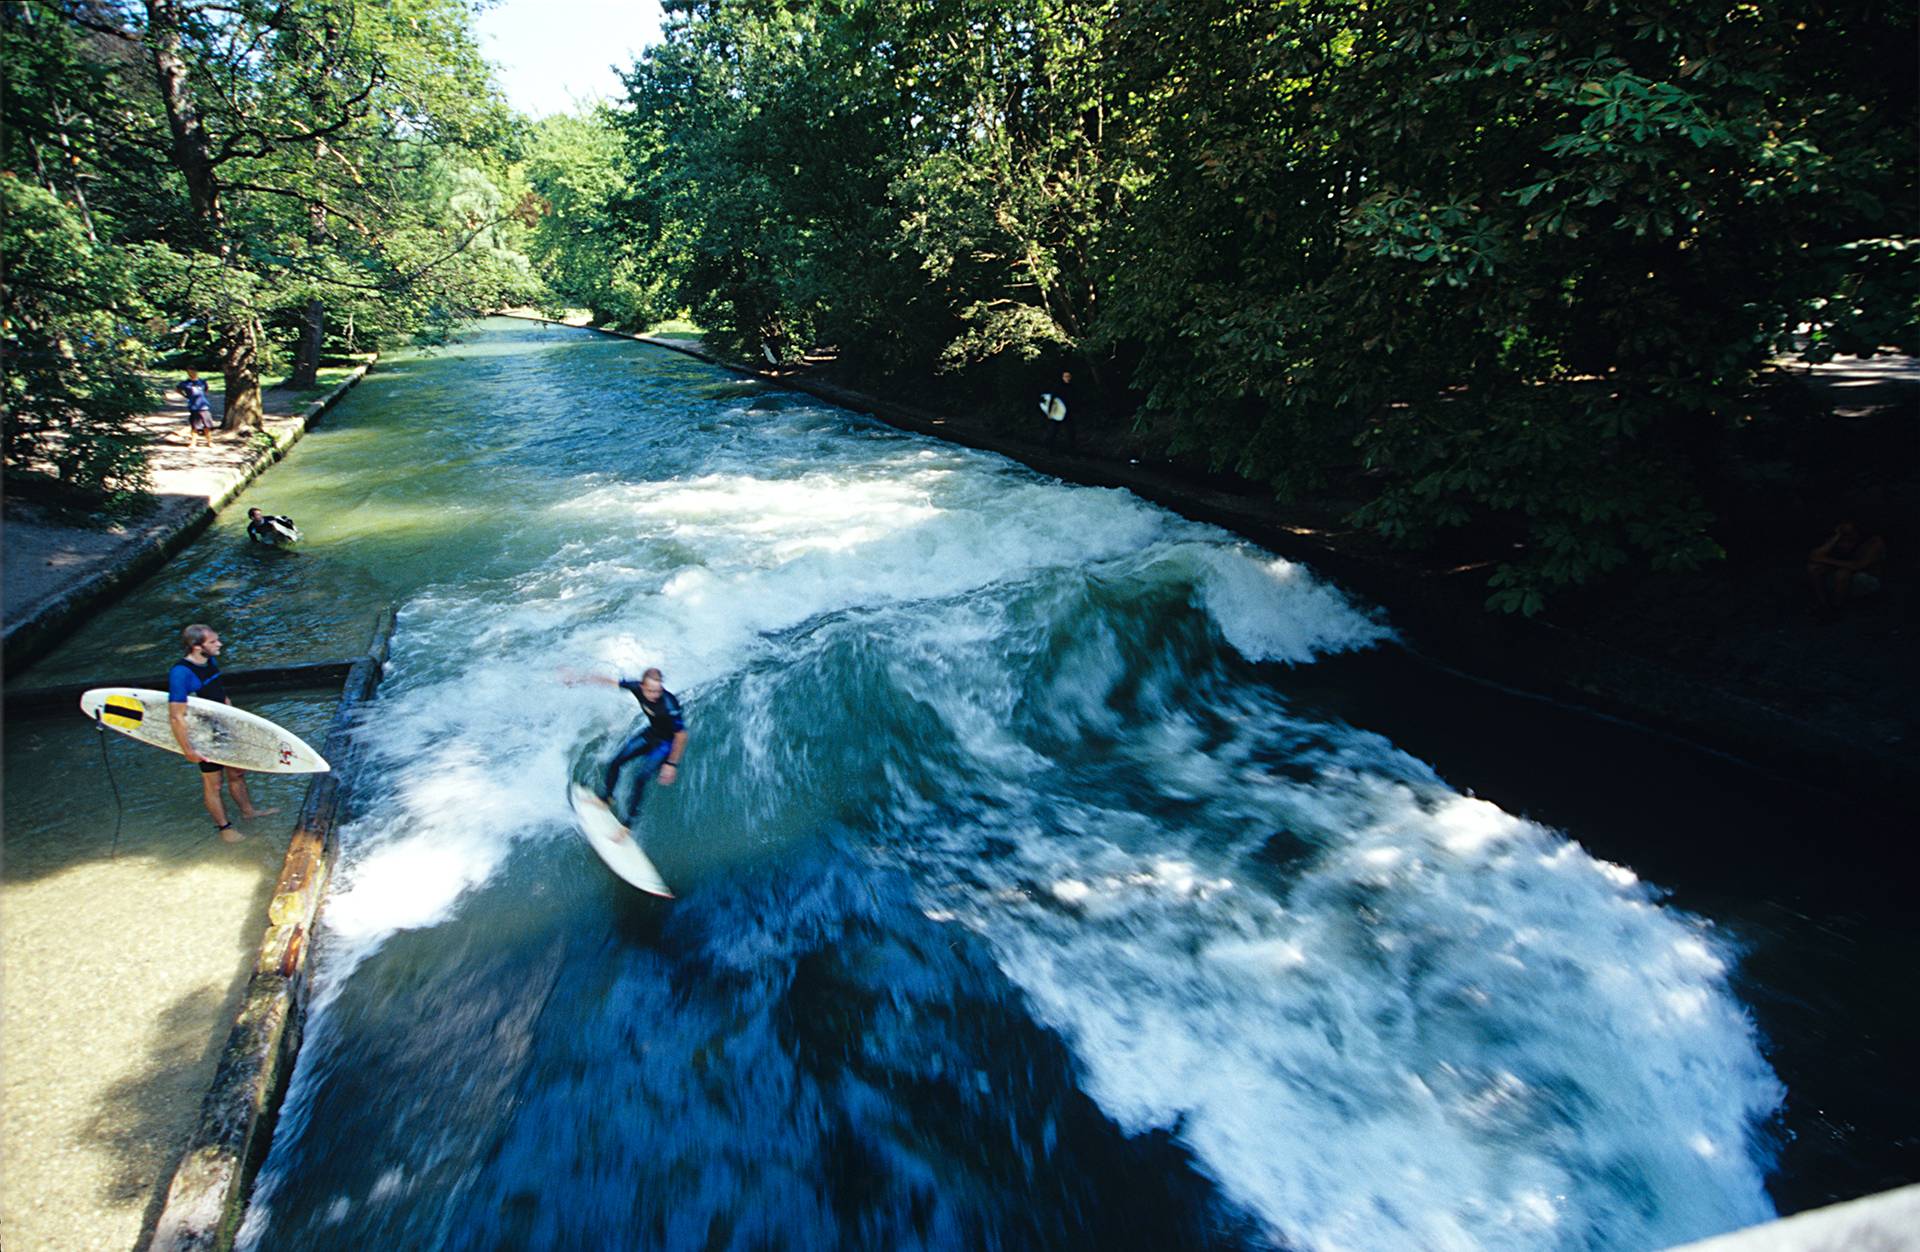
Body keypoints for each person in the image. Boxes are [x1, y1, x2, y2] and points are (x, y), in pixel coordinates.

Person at [168, 623, 278, 841]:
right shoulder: (181, 673)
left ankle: (248, 811)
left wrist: (235, 719)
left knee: (237, 772)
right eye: (213, 642)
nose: (219, 644)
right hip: (202, 734)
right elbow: (176, 716)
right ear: (197, 646)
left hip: (223, 725)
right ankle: (224, 828)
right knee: (214, 783)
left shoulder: (210, 660)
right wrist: (187, 749)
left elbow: (219, 694)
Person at [565, 666, 689, 808]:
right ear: (642, 686)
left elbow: (681, 735)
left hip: (666, 744)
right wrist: (578, 679)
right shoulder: (635, 687)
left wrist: (671, 764)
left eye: (658, 691)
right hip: (651, 734)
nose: (655, 695)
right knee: (616, 762)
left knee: (640, 778)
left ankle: (628, 824)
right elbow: (608, 681)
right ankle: (607, 799)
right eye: (651, 691)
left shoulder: (669, 704)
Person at [1806, 519, 1887, 611]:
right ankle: (1823, 605)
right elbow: (1814, 556)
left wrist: (1825, 560)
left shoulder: (1874, 542)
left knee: (1842, 574)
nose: (1845, 529)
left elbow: (1859, 565)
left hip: (1868, 578)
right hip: (1848, 573)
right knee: (1813, 568)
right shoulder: (1842, 539)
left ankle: (1836, 609)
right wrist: (1837, 536)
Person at [176, 368, 216, 449]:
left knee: (207, 426)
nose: (192, 373)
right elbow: (177, 389)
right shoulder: (185, 383)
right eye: (190, 372)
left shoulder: (202, 381)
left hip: (204, 406)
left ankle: (210, 442)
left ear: (197, 372)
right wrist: (185, 395)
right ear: (188, 373)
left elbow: (206, 389)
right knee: (195, 426)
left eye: (194, 371)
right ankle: (193, 443)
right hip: (193, 406)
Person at [1039, 368, 1077, 452]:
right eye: (1066, 376)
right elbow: (1052, 399)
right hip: (1058, 412)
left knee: (1071, 431)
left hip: (1068, 412)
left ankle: (1072, 451)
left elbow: (1075, 399)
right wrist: (1049, 412)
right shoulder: (1058, 387)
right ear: (1062, 377)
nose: (1067, 378)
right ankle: (1050, 449)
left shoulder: (1072, 387)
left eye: (1069, 376)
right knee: (1054, 431)